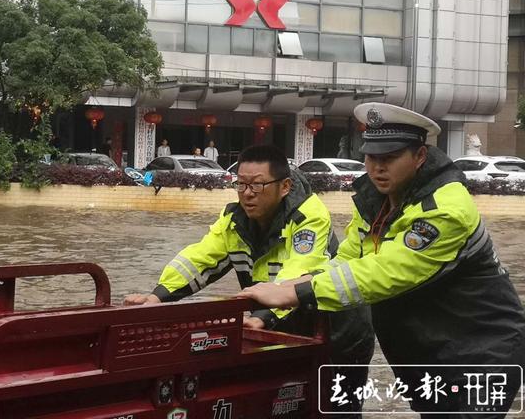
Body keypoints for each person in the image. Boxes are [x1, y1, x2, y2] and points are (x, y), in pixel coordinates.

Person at [238, 103, 525, 417]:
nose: (377, 168)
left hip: (481, 352)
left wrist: (293, 292)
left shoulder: (444, 209)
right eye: (371, 157)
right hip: (428, 349)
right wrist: (271, 309)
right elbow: (345, 261)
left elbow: (386, 272)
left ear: (420, 156)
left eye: (390, 158)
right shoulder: (377, 203)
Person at [125, 144, 374, 417]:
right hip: (278, 328)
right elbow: (200, 259)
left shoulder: (308, 216)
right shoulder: (234, 220)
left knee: (335, 410)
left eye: (258, 185)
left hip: (337, 333)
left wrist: (262, 316)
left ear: (285, 186)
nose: (247, 194)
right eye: (241, 184)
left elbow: (298, 272)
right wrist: (157, 296)